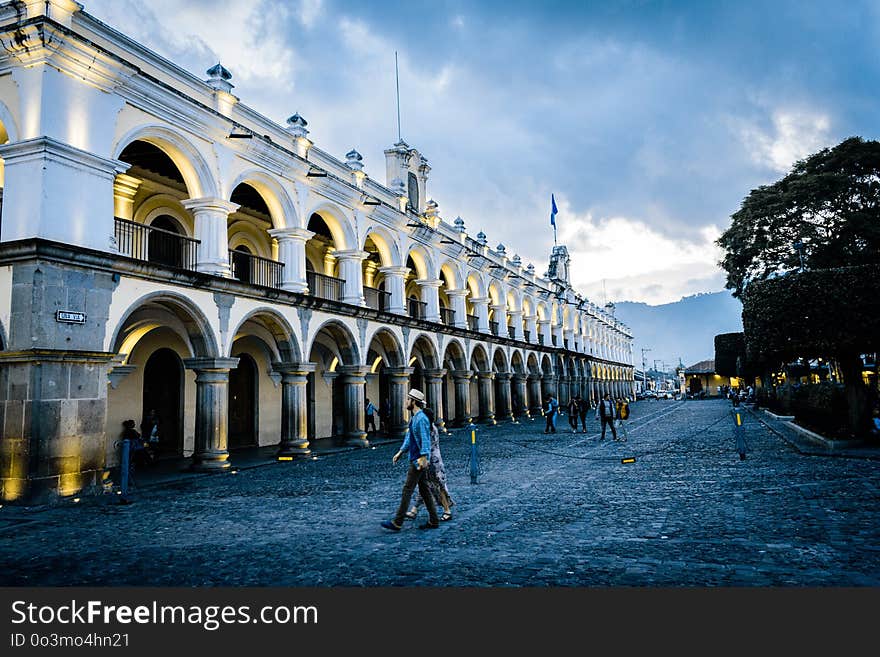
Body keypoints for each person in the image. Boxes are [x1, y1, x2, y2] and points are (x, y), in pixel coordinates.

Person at [381, 389, 441, 531]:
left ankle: (397, 521)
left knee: (407, 489)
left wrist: (424, 457)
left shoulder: (421, 419)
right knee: (425, 490)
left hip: (418, 460)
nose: (406, 402)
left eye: (408, 399)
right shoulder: (415, 418)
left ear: (414, 402)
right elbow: (410, 438)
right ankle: (434, 520)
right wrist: (400, 452)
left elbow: (425, 440)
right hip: (416, 458)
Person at [405, 406, 454, 522]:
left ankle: (447, 510)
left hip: (431, 461)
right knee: (424, 486)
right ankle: (414, 510)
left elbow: (423, 445)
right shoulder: (432, 427)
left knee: (437, 486)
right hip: (433, 459)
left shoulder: (428, 428)